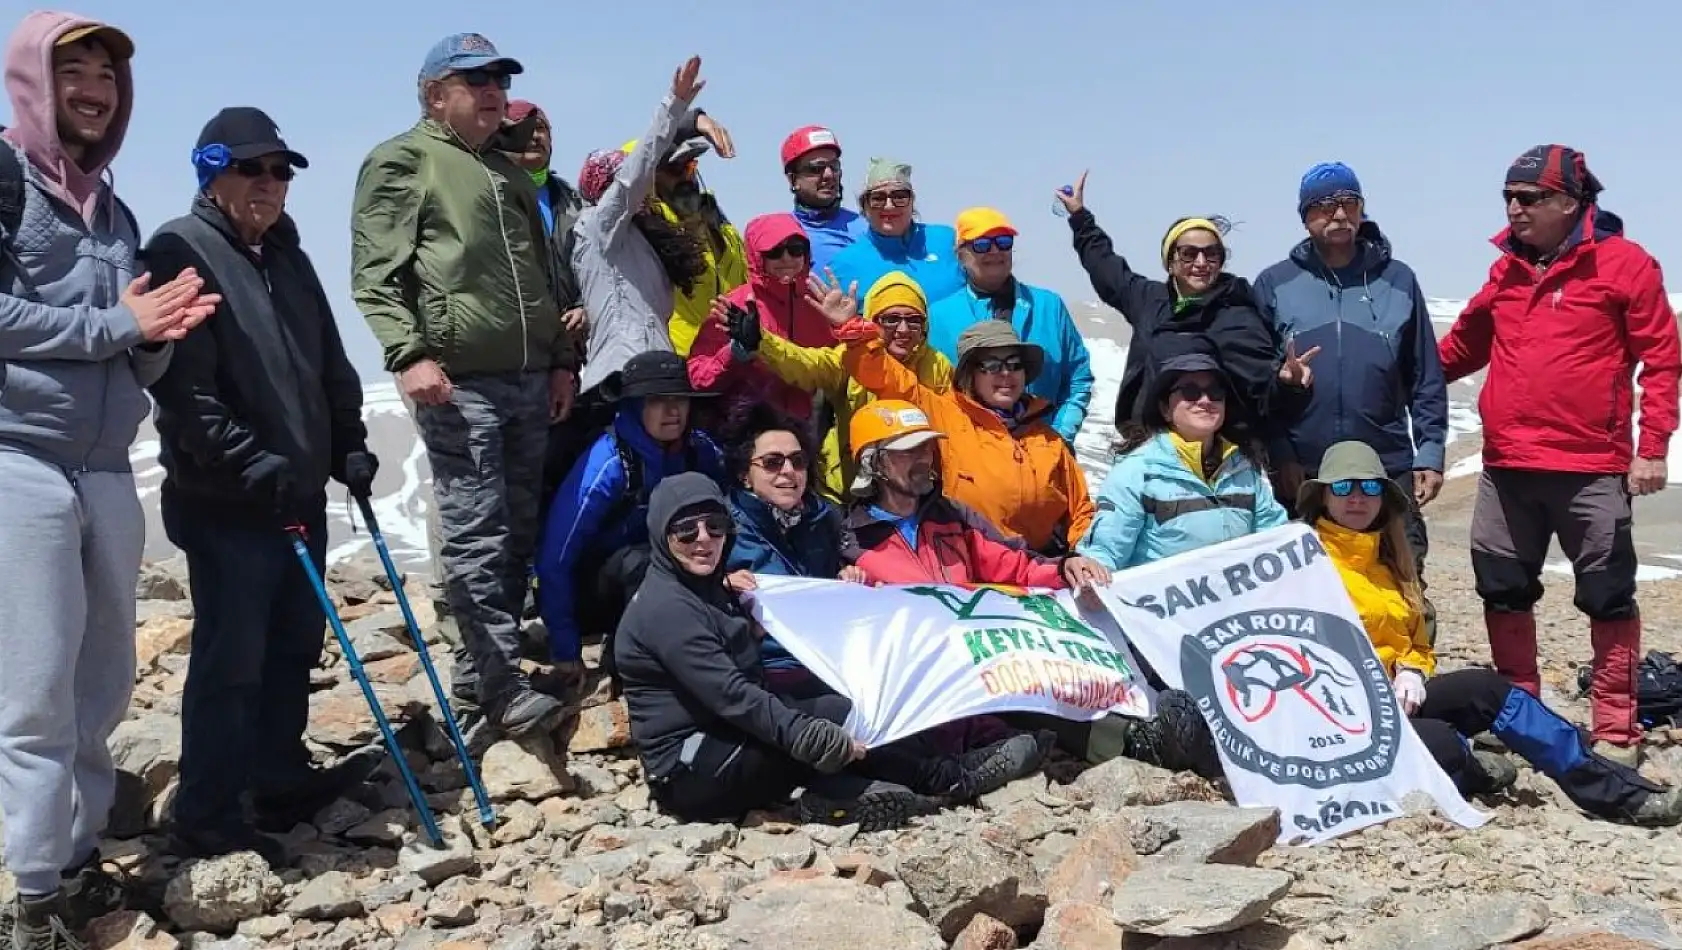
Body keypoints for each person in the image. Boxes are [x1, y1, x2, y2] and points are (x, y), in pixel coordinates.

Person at [0, 13, 219, 943]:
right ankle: (33, 896)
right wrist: (117, 329)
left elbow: (130, 352)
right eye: (75, 71)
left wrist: (160, 339)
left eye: (108, 76)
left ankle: (78, 856)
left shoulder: (117, 212)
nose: (96, 88)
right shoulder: (6, 178)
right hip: (19, 459)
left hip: (103, 468)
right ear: (33, 84)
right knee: (38, 689)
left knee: (104, 683)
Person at [145, 108, 380, 864]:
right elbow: (188, 394)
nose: (270, 184)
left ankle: (278, 778)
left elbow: (331, 364)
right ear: (210, 172)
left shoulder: (285, 256)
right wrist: (252, 464)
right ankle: (207, 811)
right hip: (226, 502)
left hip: (296, 492)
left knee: (292, 643)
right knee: (232, 656)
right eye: (252, 169)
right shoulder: (180, 252)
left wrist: (349, 443)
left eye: (280, 171)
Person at [351, 33, 578, 737]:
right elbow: (375, 276)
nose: (492, 92)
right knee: (475, 537)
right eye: (473, 80)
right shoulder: (404, 161)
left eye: (498, 81)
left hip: (529, 378)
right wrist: (408, 353)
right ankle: (503, 691)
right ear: (433, 94)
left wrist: (561, 357)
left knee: (515, 535)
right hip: (460, 384)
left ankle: (480, 681)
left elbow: (544, 278)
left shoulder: (505, 172)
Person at [1438, 145, 1682, 768]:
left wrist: (1651, 448)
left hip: (1592, 467)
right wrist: (1386, 379)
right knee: (1502, 589)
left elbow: (1663, 360)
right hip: (1508, 466)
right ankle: (1521, 716)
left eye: (1528, 198)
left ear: (1570, 202)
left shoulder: (1625, 265)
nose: (1513, 209)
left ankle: (1615, 729)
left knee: (1608, 595)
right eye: (1508, 197)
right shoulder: (1507, 273)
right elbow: (1461, 348)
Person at [1301, 440, 1682, 825]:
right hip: (1339, 721)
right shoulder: (1299, 561)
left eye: (1369, 487)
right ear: (1322, 496)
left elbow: (1414, 640)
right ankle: (1471, 768)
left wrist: (1413, 669)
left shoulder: (1391, 563)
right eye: (1343, 486)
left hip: (1396, 703)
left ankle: (1618, 793)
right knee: (1442, 741)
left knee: (1490, 690)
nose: (1357, 498)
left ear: (1383, 498)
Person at [617, 472, 968, 830]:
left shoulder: (703, 588)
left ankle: (867, 790)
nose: (703, 539)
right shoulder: (667, 609)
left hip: (723, 735)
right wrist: (813, 739)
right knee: (807, 737)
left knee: (842, 709)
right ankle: (942, 780)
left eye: (716, 526)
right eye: (686, 531)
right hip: (689, 771)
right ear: (663, 537)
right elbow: (733, 696)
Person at [1252, 162, 1448, 580]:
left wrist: (1429, 453)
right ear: (1305, 217)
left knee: (1402, 576)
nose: (1339, 214)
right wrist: (1279, 454)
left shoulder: (1399, 279)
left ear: (1362, 209)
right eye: (1324, 206)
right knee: (1307, 585)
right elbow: (1258, 383)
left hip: (1386, 466)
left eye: (1348, 203)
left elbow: (1425, 376)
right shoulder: (1274, 283)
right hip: (1306, 470)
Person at [822, 273, 1095, 555]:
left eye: (1014, 364)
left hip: (1041, 572)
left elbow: (1082, 513)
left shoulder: (1048, 439)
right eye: (991, 364)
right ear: (970, 375)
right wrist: (852, 331)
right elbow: (885, 376)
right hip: (968, 570)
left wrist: (1084, 560)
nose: (1005, 373)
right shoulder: (942, 414)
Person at [1055, 172, 1307, 441]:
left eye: (1212, 254)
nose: (1201, 263)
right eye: (1188, 254)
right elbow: (1106, 268)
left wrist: (1287, 384)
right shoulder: (1150, 300)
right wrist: (1080, 218)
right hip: (1151, 447)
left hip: (1219, 457)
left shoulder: (1238, 316)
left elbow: (1264, 394)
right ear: (1170, 262)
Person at [536, 351, 726, 682]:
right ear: (637, 405)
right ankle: (633, 666)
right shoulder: (609, 462)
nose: (673, 411)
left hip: (665, 576)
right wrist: (566, 649)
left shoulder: (700, 450)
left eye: (680, 399)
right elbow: (556, 556)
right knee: (642, 563)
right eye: (658, 400)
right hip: (598, 591)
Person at [571, 57, 723, 403]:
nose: (648, 187)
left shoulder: (650, 236)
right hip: (618, 380)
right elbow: (633, 177)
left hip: (659, 372)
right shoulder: (596, 227)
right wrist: (675, 107)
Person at [731, 270, 954, 501]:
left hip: (915, 489)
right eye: (891, 319)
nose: (903, 330)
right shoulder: (851, 357)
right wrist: (762, 341)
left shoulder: (938, 366)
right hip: (847, 489)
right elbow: (807, 365)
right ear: (871, 321)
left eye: (914, 319)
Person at [1080, 337, 1293, 572]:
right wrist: (1089, 569)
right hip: (1163, 607)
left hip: (1237, 606)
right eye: (1190, 392)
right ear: (1165, 409)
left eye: (1215, 392)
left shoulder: (1244, 469)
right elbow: (1104, 554)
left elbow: (1275, 537)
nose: (1205, 401)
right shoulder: (1135, 474)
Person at [927, 208, 1094, 442]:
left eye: (1004, 242)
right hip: (966, 457)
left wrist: (1060, 436)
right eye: (982, 244)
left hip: (1045, 452)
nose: (995, 251)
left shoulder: (1049, 306)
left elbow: (1078, 378)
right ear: (960, 254)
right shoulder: (937, 316)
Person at [686, 213, 830, 430]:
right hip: (747, 429)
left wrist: (847, 326)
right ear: (756, 256)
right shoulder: (734, 306)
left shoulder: (821, 302)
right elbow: (698, 377)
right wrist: (734, 353)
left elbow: (841, 368)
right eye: (774, 251)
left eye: (796, 249)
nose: (787, 258)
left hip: (809, 428)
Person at [828, 158, 964, 306]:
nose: (889, 206)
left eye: (899, 197)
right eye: (878, 198)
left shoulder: (947, 241)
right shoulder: (843, 265)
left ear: (912, 202)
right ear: (864, 206)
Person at [782, 125, 866, 271]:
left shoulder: (867, 231)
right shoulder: (779, 234)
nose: (829, 175)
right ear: (793, 179)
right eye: (816, 169)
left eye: (834, 167)